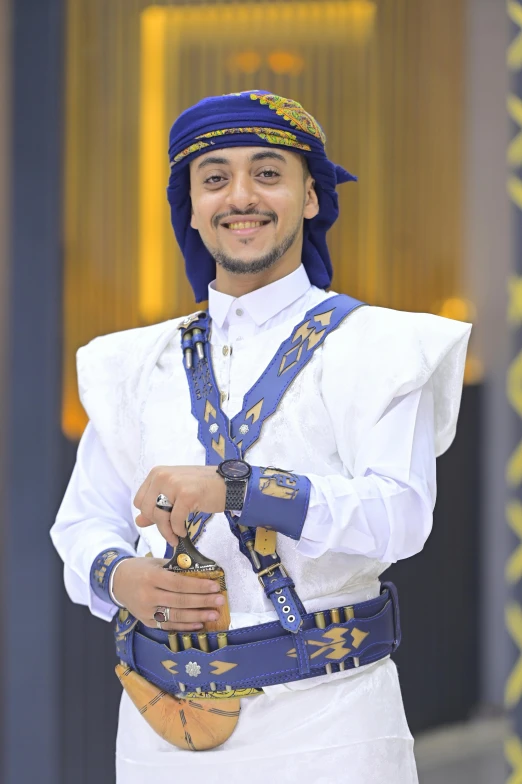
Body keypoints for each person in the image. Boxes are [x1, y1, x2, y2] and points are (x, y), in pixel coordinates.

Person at [51, 90, 471, 784]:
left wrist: (239, 488)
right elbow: (82, 523)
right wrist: (121, 577)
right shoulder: (134, 365)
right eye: (214, 177)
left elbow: (400, 517)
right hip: (158, 728)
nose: (240, 195)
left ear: (311, 195)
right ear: (190, 205)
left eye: (268, 173)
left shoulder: (379, 348)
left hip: (331, 726)